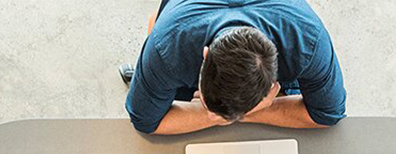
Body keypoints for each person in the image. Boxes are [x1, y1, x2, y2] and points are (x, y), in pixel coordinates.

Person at [122, 0, 346, 135]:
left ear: (271, 85)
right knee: (157, 32)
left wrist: (226, 116)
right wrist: (250, 112)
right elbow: (144, 121)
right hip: (180, 23)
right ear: (205, 54)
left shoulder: (309, 41)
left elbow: (328, 114)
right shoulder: (166, 46)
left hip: (282, 21)